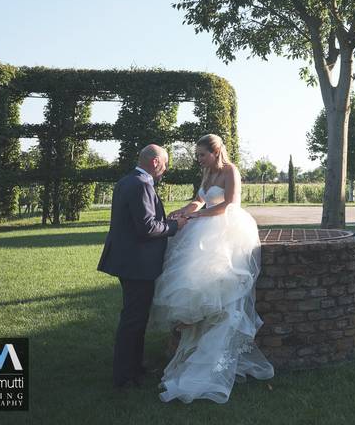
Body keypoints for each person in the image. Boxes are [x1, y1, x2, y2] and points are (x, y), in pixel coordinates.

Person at [149, 133, 274, 403]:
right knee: (194, 284)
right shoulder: (206, 173)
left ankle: (218, 362)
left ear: (216, 152)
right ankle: (194, 336)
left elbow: (229, 204)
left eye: (202, 155)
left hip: (227, 230)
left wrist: (195, 215)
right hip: (204, 228)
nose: (198, 159)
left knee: (222, 294)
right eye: (197, 155)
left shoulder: (230, 170)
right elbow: (200, 200)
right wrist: (184, 211)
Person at [97, 144, 188, 389]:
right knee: (133, 320)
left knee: (135, 318)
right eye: (166, 164)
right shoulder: (142, 184)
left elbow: (138, 221)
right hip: (137, 264)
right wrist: (173, 227)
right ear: (156, 162)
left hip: (127, 260)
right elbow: (147, 227)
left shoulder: (127, 181)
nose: (165, 170)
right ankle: (124, 376)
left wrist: (163, 221)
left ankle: (135, 367)